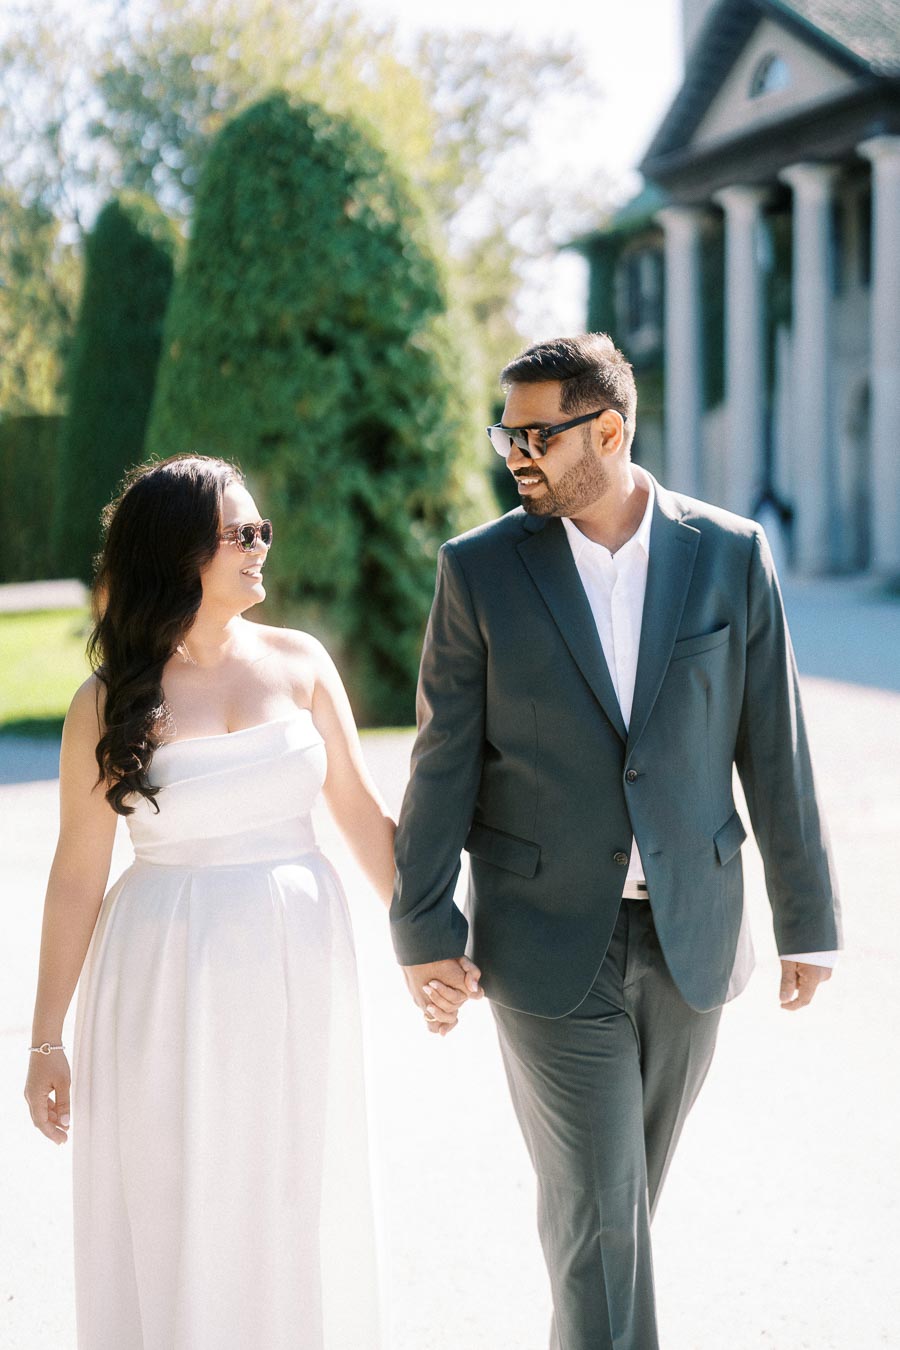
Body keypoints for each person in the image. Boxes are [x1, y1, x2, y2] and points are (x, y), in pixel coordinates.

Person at [390, 333, 841, 1349]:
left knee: (611, 1216)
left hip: (692, 937)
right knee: (602, 1210)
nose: (515, 453)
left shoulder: (728, 553)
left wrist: (807, 919)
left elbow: (775, 741)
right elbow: (442, 760)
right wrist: (423, 922)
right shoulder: (480, 570)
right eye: (504, 433)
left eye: (535, 433)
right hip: (547, 942)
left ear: (609, 429)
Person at [24, 453, 407, 1349]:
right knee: (177, 1195)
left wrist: (437, 941)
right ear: (181, 552)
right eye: (242, 533)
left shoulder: (302, 663)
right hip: (164, 977)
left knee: (293, 1183)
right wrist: (47, 1038)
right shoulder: (108, 701)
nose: (261, 547)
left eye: (260, 529)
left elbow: (359, 817)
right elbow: (77, 874)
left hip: (297, 965)